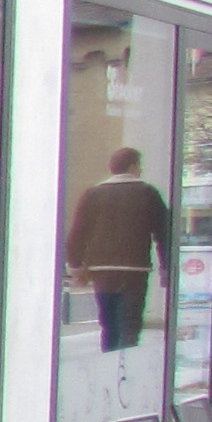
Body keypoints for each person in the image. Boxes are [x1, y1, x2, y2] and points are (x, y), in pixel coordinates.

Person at [66, 146, 172, 352]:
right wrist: (166, 267)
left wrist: (76, 267)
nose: (140, 170)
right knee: (130, 324)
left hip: (101, 270)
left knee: (109, 324)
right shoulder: (148, 193)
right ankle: (125, 369)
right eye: (139, 165)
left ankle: (109, 359)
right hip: (134, 270)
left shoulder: (93, 194)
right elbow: (164, 234)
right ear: (133, 166)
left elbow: (78, 233)